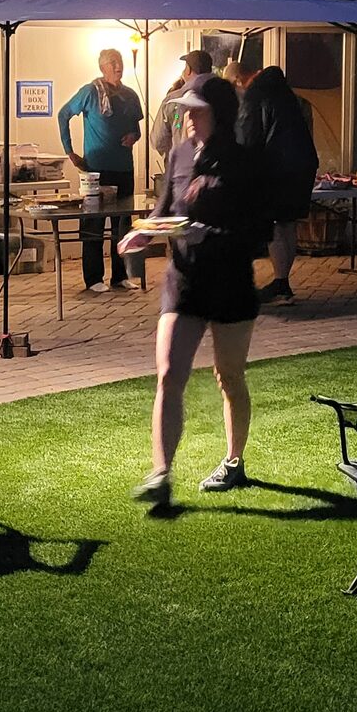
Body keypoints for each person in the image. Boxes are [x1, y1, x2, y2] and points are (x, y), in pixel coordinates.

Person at [118, 78, 262, 508]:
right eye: (185, 109)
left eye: (197, 110)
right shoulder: (179, 153)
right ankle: (161, 474)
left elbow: (256, 235)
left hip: (231, 285)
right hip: (184, 282)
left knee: (229, 376)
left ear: (220, 113)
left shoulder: (244, 162)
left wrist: (207, 234)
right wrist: (145, 232)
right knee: (168, 374)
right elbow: (165, 209)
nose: (187, 117)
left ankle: (234, 461)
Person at [56, 48, 142, 293]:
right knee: (93, 223)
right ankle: (93, 278)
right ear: (102, 67)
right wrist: (69, 151)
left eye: (120, 62)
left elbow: (136, 128)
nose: (118, 66)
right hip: (96, 169)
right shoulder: (89, 92)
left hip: (123, 168)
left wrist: (134, 136)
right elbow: (63, 114)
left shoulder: (130, 95)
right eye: (112, 63)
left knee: (122, 224)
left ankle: (120, 275)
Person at [237, 66, 318, 307]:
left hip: (277, 167)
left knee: (273, 224)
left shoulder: (256, 96)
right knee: (287, 223)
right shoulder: (293, 100)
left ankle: (279, 284)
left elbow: (250, 135)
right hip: (303, 166)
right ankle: (283, 281)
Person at [152, 50, 214, 184]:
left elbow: (158, 140)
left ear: (188, 70)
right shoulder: (224, 96)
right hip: (214, 171)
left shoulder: (173, 100)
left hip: (180, 172)